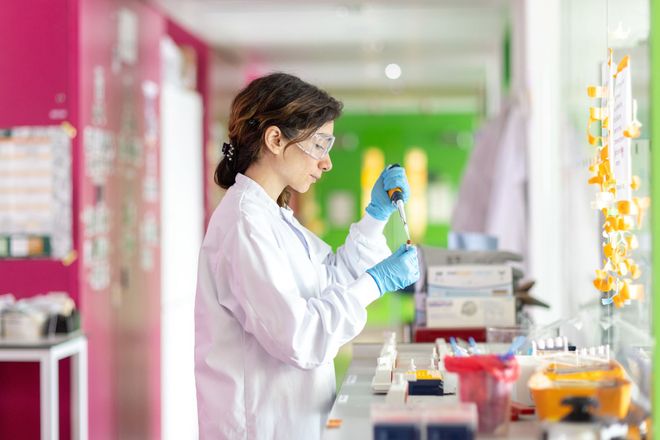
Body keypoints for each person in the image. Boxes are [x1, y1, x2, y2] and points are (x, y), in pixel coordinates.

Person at [194, 72, 419, 440]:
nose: (326, 162)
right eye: (319, 145)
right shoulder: (244, 223)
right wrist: (376, 282)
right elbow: (300, 336)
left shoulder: (273, 216)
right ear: (275, 139)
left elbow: (329, 281)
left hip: (293, 420)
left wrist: (376, 217)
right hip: (261, 427)